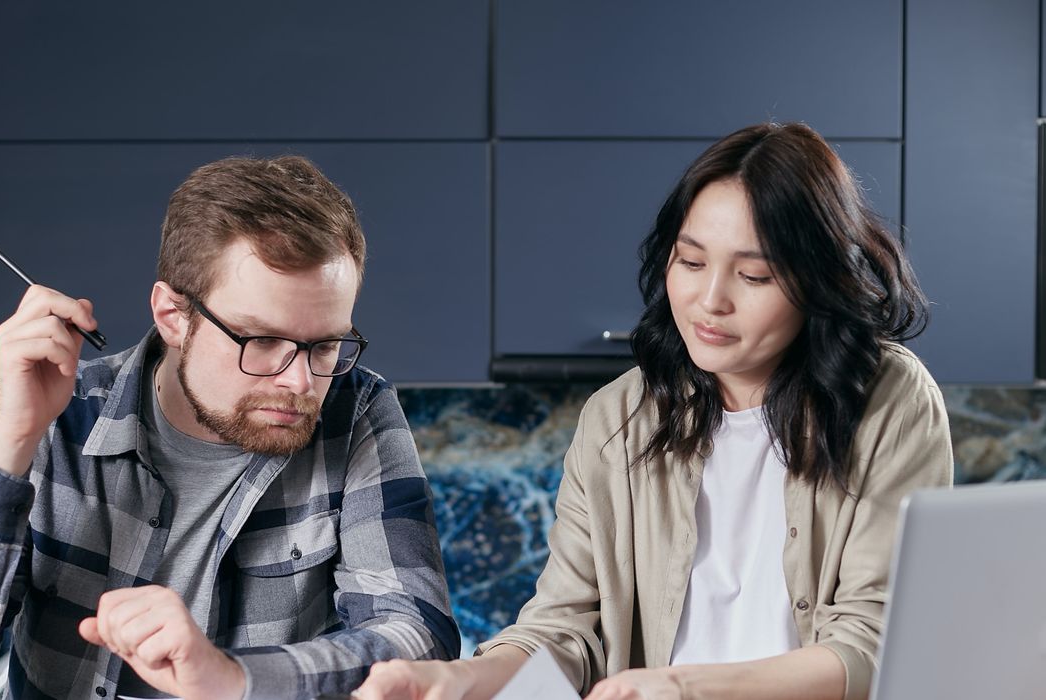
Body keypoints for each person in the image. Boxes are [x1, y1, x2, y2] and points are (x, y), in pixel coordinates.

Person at [355, 122, 953, 700]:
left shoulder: (889, 401)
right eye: (690, 262)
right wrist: (456, 680)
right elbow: (566, 633)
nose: (710, 300)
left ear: (818, 281)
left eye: (755, 274)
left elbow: (876, 643)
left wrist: (682, 686)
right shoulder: (617, 417)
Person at [0, 156, 459, 700]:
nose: (301, 382)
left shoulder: (356, 411)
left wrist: (229, 680)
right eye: (261, 342)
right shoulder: (44, 415)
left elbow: (415, 641)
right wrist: (11, 439)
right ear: (173, 316)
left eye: (326, 345)